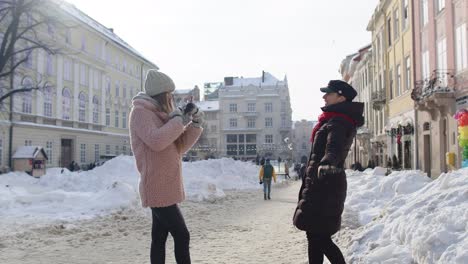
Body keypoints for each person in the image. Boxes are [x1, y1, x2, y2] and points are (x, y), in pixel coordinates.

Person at [129, 70, 203, 264]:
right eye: (170, 94)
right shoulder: (140, 112)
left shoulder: (161, 114)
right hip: (155, 186)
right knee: (182, 235)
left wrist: (194, 124)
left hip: (166, 186)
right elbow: (157, 141)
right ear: (163, 94)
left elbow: (178, 147)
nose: (172, 98)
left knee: (159, 238)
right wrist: (178, 119)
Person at [293, 80, 364, 264]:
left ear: (341, 97)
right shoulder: (332, 119)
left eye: (328, 93)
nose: (324, 97)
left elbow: (334, 146)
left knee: (321, 238)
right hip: (319, 184)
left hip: (326, 186)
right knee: (314, 236)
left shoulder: (339, 121)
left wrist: (327, 162)